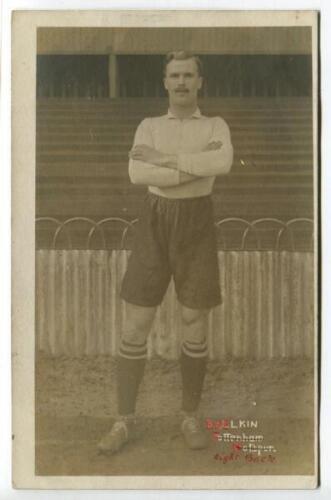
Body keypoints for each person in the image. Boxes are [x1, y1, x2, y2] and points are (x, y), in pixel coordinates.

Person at [98, 51, 233, 454]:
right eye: (174, 75)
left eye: (188, 75)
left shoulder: (215, 124)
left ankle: (189, 415)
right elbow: (138, 173)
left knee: (193, 319)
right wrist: (194, 166)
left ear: (200, 81)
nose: (181, 82)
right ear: (164, 81)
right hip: (155, 222)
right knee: (136, 322)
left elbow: (222, 162)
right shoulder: (149, 125)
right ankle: (124, 421)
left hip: (197, 223)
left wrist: (165, 161)